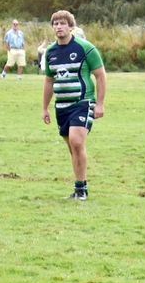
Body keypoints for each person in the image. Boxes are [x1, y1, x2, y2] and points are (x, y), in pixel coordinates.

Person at [42, 10, 107, 201]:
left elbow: (100, 75)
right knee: (73, 148)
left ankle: (82, 191)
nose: (59, 27)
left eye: (63, 23)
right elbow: (48, 81)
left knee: (77, 142)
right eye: (55, 24)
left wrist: (100, 104)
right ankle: (79, 187)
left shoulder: (85, 48)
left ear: (71, 27)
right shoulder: (51, 52)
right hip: (61, 106)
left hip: (83, 102)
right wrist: (45, 107)